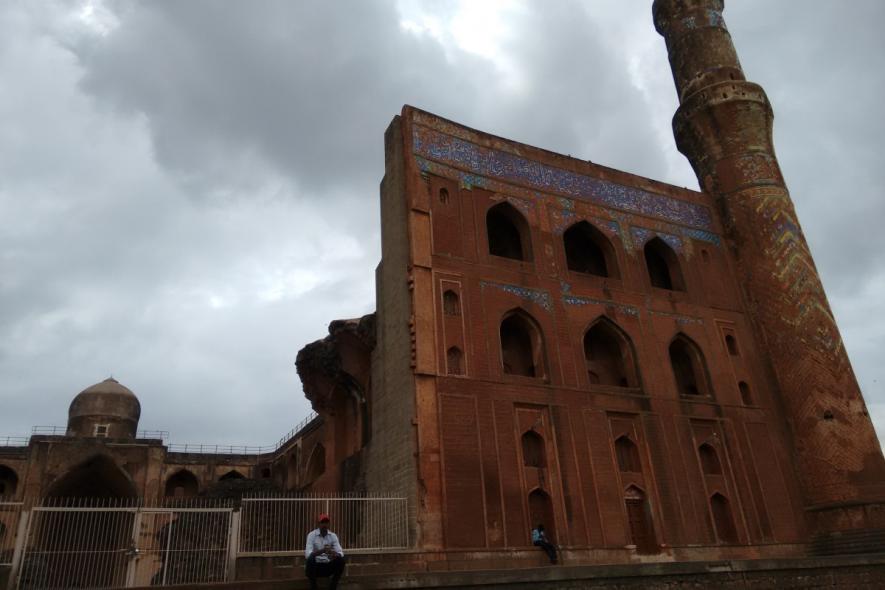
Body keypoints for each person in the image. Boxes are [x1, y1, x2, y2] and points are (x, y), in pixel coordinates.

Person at [305, 513, 346, 590]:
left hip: (327, 566)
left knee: (341, 560)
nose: (324, 525)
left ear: (329, 524)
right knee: (310, 559)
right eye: (322, 522)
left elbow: (341, 552)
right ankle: (314, 587)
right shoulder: (311, 535)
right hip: (316, 567)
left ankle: (333, 587)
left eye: (326, 522)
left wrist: (333, 553)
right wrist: (322, 550)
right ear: (318, 524)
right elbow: (308, 554)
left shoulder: (333, 536)